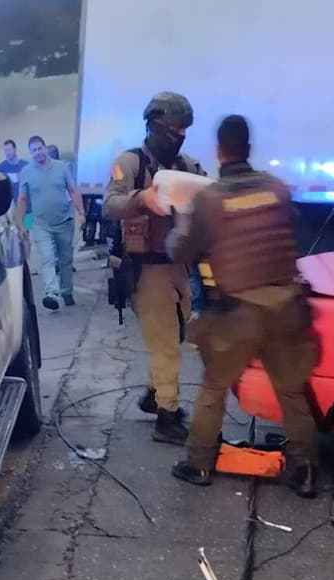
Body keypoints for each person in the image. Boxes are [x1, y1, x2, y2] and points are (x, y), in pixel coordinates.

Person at [166, 115, 318, 497]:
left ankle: (198, 465)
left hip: (239, 314)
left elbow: (182, 250)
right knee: (292, 391)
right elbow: (293, 233)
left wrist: (181, 221)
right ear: (248, 149)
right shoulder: (277, 189)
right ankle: (305, 472)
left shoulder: (211, 200)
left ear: (220, 152)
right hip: (287, 307)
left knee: (215, 385)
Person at [103, 92, 205, 445]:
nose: (177, 135)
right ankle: (167, 415)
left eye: (182, 130)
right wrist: (142, 199)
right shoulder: (130, 163)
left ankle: (153, 394)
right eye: (171, 128)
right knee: (166, 345)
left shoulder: (187, 166)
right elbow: (111, 204)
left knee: (176, 333)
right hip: (145, 268)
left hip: (177, 265)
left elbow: (208, 196)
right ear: (153, 125)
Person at [17, 135, 86, 310]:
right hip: (41, 224)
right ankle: (51, 293)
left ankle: (66, 290)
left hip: (64, 220)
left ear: (45, 148)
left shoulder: (61, 167)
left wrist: (81, 213)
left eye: (40, 148)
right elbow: (23, 199)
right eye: (34, 150)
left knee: (65, 259)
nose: (38, 152)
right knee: (47, 259)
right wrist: (21, 224)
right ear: (30, 153)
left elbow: (72, 190)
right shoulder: (26, 172)